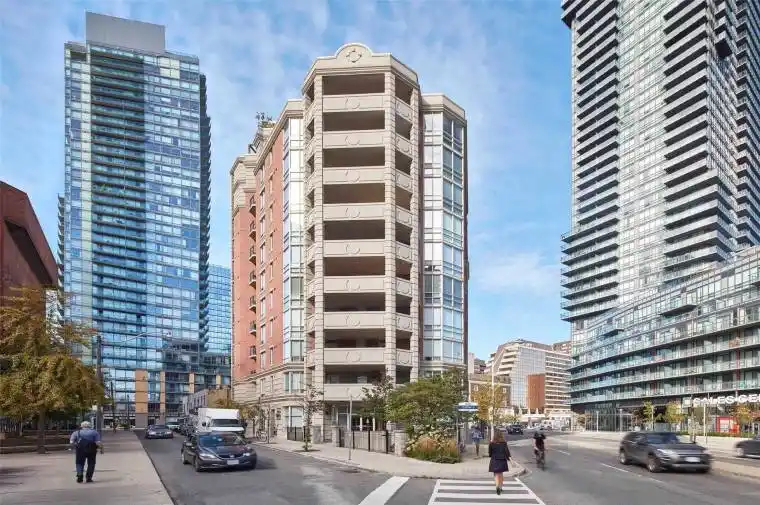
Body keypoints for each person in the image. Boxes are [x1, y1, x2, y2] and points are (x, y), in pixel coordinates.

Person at [488, 430, 510, 495]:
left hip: (494, 459)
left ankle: (497, 486)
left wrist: (491, 455)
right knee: (501, 474)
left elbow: (490, 453)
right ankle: (500, 487)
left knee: (496, 474)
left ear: (494, 436)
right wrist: (510, 460)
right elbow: (507, 452)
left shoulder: (491, 443)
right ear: (501, 436)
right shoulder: (504, 443)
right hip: (502, 460)